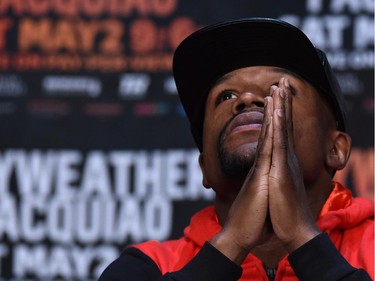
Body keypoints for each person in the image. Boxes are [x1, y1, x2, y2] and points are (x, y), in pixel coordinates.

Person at [98, 17, 374, 281]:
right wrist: (232, 242)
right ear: (204, 167)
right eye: (226, 96)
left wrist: (300, 236)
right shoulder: (150, 265)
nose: (247, 99)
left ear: (335, 149)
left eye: (279, 89)